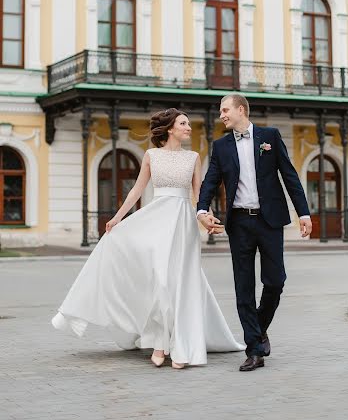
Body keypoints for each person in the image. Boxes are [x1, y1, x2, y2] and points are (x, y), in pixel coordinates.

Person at [52, 108, 244, 369]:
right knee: (161, 281)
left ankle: (181, 344)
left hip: (183, 223)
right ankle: (160, 342)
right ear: (169, 129)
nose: (189, 127)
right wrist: (118, 217)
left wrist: (206, 218)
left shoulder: (194, 157)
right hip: (157, 219)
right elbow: (137, 190)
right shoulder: (151, 155)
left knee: (179, 282)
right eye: (183, 123)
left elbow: (200, 194)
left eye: (188, 123)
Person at [197, 94, 312, 372]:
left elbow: (290, 175)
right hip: (239, 224)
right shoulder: (221, 146)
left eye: (225, 110)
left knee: (275, 281)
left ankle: (259, 329)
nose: (222, 115)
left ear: (240, 109)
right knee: (243, 288)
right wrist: (201, 210)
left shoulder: (269, 136)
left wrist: (304, 213)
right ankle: (254, 350)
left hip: (269, 221)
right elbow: (210, 181)